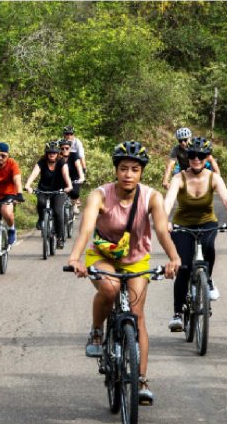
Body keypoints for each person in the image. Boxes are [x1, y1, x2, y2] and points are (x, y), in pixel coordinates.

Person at [66, 141, 181, 406]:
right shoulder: (99, 195)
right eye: (123, 169)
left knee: (137, 315)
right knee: (110, 288)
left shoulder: (152, 197)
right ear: (116, 170)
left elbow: (161, 230)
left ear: (142, 173)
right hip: (103, 256)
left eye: (134, 170)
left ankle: (141, 380)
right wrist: (75, 258)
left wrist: (174, 257)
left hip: (136, 259)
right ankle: (97, 330)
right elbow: (86, 229)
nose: (128, 174)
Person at [163, 136, 227, 331]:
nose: (196, 159)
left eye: (201, 155)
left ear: (207, 158)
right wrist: (165, 221)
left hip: (207, 223)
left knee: (209, 248)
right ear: (187, 157)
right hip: (182, 225)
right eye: (192, 155)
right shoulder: (179, 178)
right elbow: (168, 201)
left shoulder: (214, 178)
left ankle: (208, 281)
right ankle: (178, 313)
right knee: (184, 267)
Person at [24, 140, 72, 245]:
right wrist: (28, 185)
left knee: (58, 212)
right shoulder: (41, 162)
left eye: (54, 152)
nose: (52, 154)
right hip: (43, 189)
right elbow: (34, 174)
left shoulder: (61, 162)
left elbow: (66, 175)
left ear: (58, 153)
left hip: (59, 191)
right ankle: (41, 219)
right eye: (49, 152)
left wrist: (69, 186)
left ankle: (59, 238)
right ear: (46, 153)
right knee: (41, 203)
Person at [59, 138, 86, 215]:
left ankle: (74, 205)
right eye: (62, 148)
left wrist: (81, 177)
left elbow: (79, 167)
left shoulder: (74, 156)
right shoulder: (58, 156)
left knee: (74, 193)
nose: (64, 150)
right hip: (62, 179)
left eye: (67, 148)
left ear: (70, 148)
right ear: (60, 149)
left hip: (74, 179)